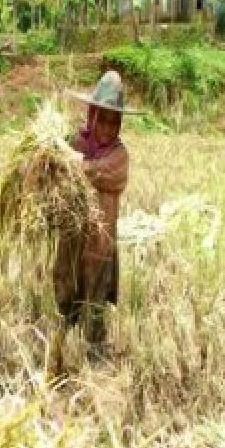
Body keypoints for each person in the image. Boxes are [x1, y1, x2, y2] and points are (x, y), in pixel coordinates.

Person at [49, 71, 141, 371]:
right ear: (92, 116)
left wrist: (72, 161)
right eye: (103, 119)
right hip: (72, 235)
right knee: (66, 287)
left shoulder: (119, 155)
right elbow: (57, 171)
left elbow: (95, 171)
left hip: (100, 241)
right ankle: (63, 348)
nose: (107, 128)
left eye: (114, 122)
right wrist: (54, 154)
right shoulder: (76, 142)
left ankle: (96, 356)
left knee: (96, 296)